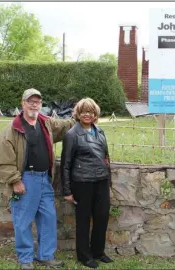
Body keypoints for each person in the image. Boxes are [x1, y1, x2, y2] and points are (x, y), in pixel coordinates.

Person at [0, 88, 75, 270]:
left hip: (44, 179)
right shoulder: (12, 129)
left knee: (48, 218)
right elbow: (2, 160)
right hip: (25, 180)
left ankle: (45, 256)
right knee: (22, 221)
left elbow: (64, 126)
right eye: (30, 101)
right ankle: (25, 259)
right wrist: (15, 181)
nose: (34, 104)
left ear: (41, 104)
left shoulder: (46, 123)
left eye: (37, 101)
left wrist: (80, 116)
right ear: (23, 103)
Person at [61, 98, 113, 269]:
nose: (87, 114)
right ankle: (84, 256)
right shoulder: (72, 135)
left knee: (102, 217)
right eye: (83, 111)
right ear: (78, 114)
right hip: (82, 183)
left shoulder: (100, 132)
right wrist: (67, 191)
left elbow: (106, 159)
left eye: (90, 111)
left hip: (101, 181)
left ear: (95, 114)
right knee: (83, 220)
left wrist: (109, 182)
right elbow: (66, 164)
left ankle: (98, 252)